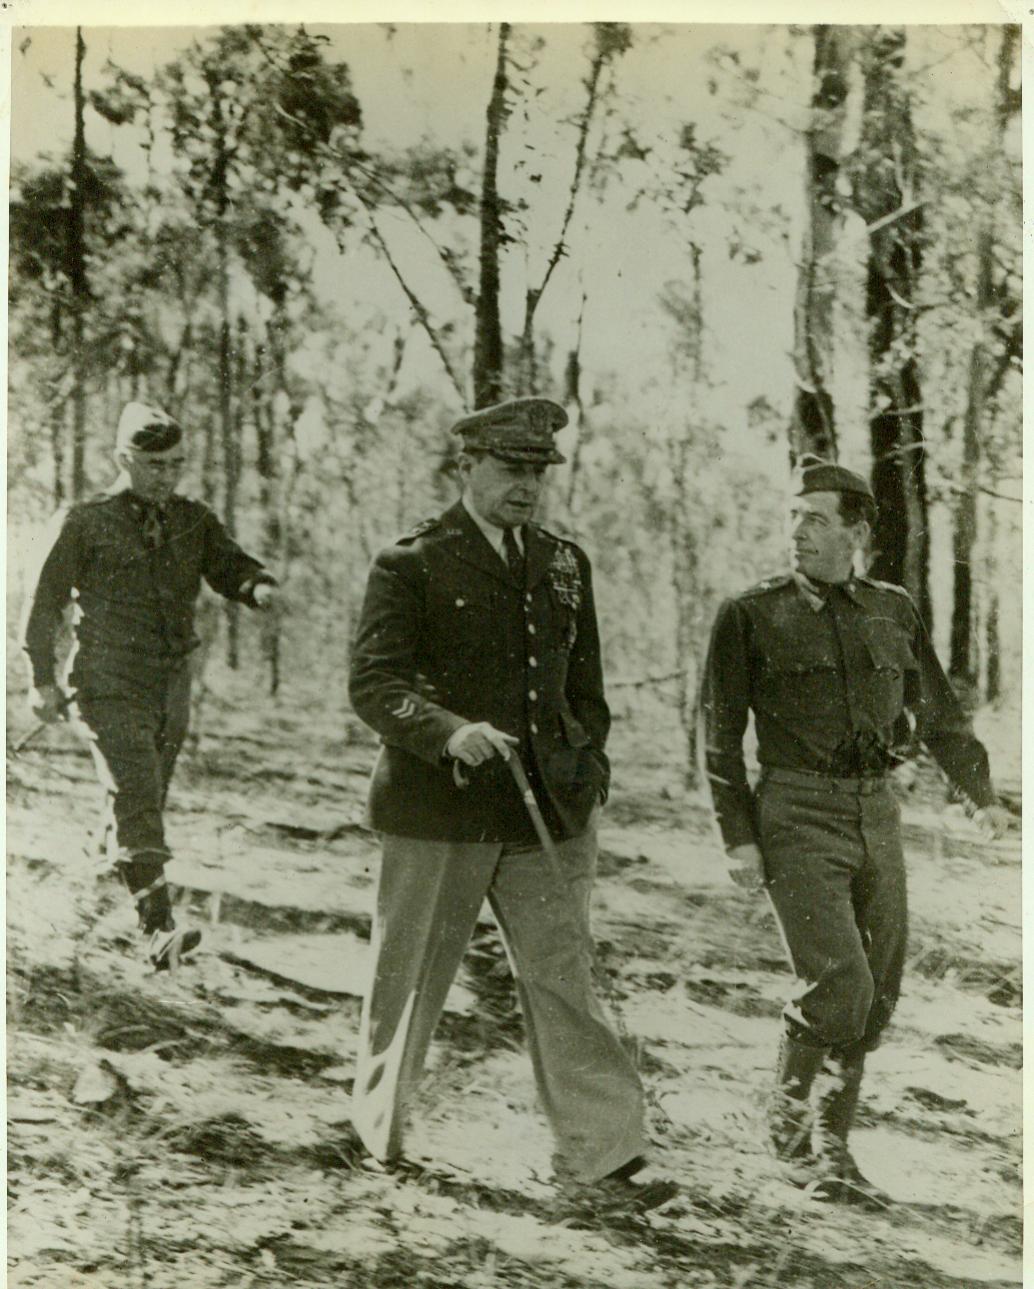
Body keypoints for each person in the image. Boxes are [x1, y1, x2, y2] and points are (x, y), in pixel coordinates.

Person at [348, 396, 675, 1213]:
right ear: (467, 466)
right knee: (413, 978)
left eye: (538, 472)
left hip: (548, 814)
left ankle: (603, 1158)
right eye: (510, 469)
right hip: (438, 809)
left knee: (564, 978)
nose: (527, 486)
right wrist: (449, 731)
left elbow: (585, 687)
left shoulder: (564, 563)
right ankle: (378, 1136)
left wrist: (588, 765)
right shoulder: (411, 561)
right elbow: (375, 683)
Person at [699, 454, 1011, 1206]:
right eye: (792, 517)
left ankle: (832, 1144)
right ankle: (787, 1128)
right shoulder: (750, 612)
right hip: (795, 812)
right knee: (839, 981)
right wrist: (736, 833)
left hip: (878, 811)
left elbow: (936, 710)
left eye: (815, 519)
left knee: (880, 987)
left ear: (857, 530)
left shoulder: (892, 608)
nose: (797, 532)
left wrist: (979, 794)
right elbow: (718, 734)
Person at [22, 402, 280, 972]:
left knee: (144, 793)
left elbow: (227, 563)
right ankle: (157, 931)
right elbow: (42, 604)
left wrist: (256, 586)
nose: (167, 476)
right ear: (123, 460)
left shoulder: (193, 518)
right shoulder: (84, 520)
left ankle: (94, 886)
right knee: (137, 789)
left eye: (176, 464)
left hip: (170, 683)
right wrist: (39, 679)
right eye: (155, 464)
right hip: (106, 678)